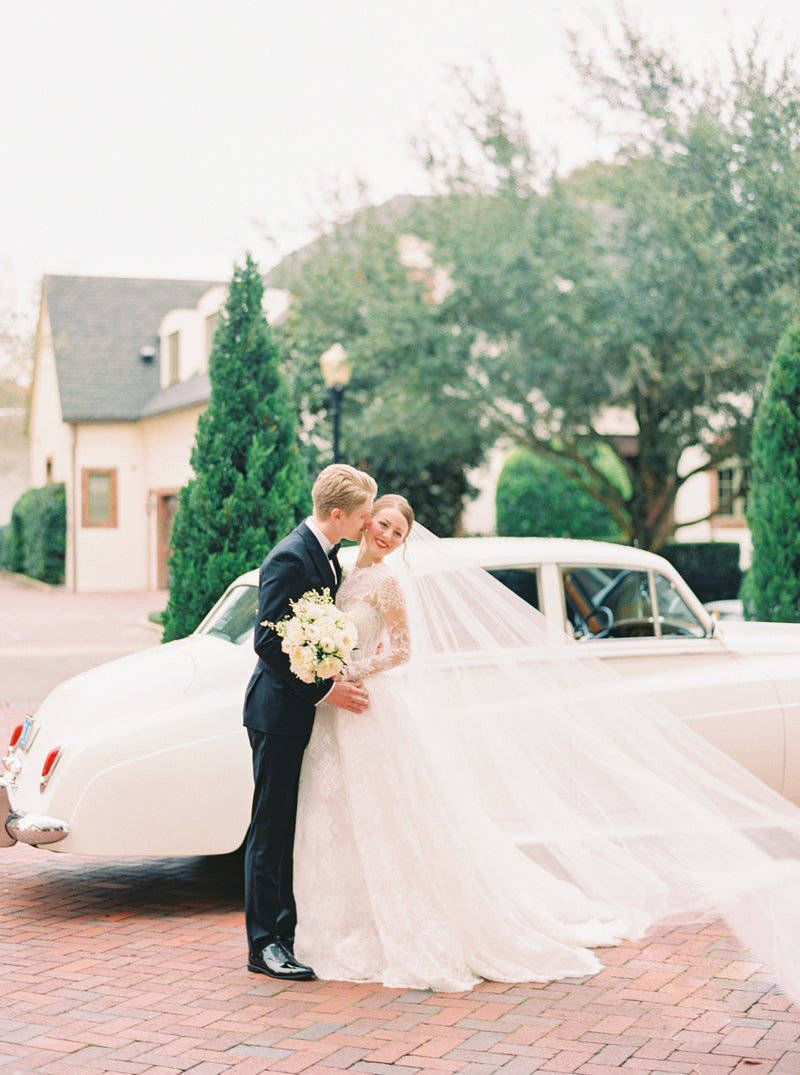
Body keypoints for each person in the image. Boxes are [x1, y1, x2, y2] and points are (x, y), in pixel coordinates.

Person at [292, 494, 800, 999]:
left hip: (363, 695)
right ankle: (344, 918)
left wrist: (352, 669)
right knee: (343, 812)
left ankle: (396, 921)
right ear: (365, 521)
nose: (387, 535)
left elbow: (403, 649)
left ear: (405, 542)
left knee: (390, 815)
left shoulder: (387, 582)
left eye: (398, 532)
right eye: (382, 524)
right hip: (340, 703)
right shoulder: (343, 572)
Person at [243, 463, 376, 981]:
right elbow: (268, 641)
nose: (369, 523)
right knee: (270, 829)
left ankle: (288, 932)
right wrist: (325, 689)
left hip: (300, 712)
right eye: (364, 515)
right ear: (338, 514)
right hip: (276, 713)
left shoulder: (328, 554)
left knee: (288, 827)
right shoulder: (290, 557)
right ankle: (264, 946)